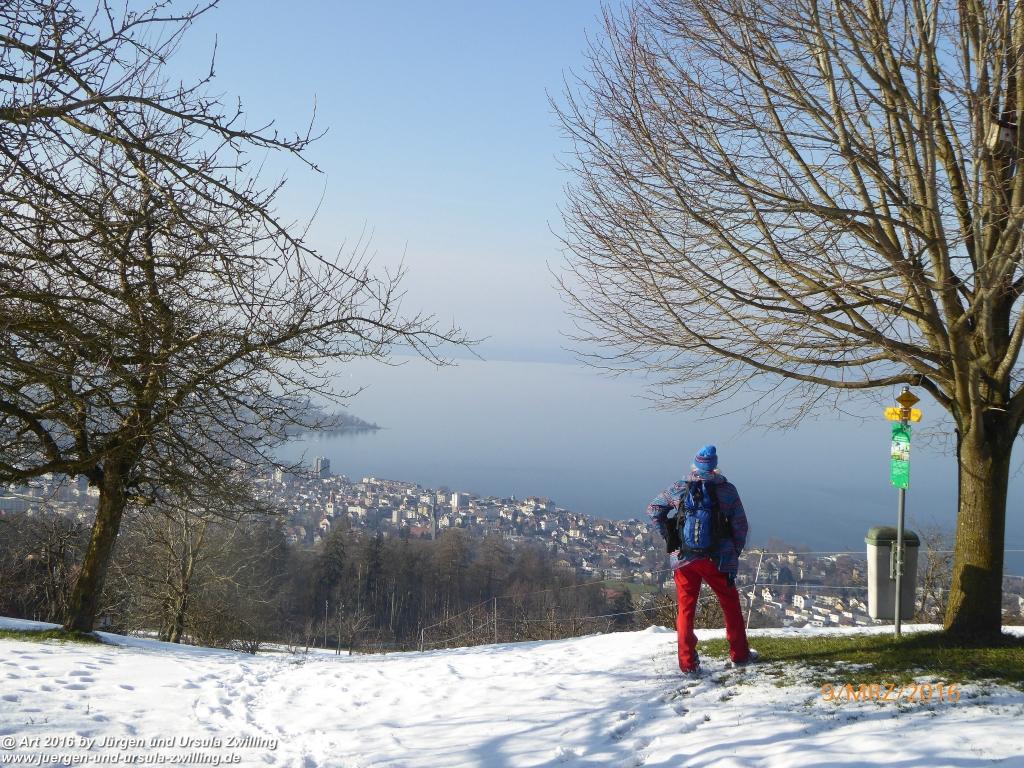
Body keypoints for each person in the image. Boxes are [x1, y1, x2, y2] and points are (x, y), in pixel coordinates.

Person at [647, 444, 754, 674]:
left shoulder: (679, 487)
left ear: (695, 466)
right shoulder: (727, 490)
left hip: (684, 559)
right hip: (718, 559)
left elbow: (654, 508)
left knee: (686, 609)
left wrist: (670, 536)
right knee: (730, 604)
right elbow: (740, 526)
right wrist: (733, 551)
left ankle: (687, 663)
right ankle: (739, 653)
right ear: (715, 467)